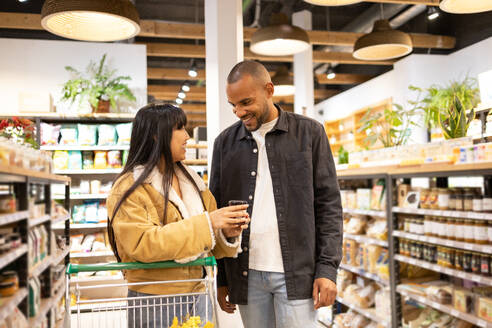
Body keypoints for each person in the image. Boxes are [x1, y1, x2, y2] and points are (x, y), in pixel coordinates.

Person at [210, 61, 343, 327]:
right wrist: (223, 278)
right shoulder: (224, 143)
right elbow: (218, 215)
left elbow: (328, 206)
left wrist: (327, 269)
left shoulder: (309, 133)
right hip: (246, 273)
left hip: (298, 274)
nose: (239, 112)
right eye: (233, 105)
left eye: (246, 102)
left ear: (269, 90)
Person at [106, 103, 250, 328]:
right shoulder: (129, 187)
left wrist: (226, 232)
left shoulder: (193, 181)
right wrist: (208, 223)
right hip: (154, 301)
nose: (188, 136)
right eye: (180, 128)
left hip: (199, 294)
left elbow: (210, 244)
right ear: (156, 135)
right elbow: (142, 243)